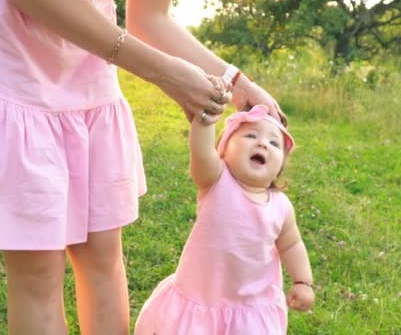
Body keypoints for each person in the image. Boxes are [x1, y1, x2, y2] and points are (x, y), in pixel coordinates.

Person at [0, 0, 284, 334]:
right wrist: (162, 72)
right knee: (38, 268)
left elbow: (150, 18)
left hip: (85, 48)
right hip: (1, 50)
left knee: (101, 252)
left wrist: (237, 84)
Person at [134, 105, 315, 334]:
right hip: (201, 296)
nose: (262, 143)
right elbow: (200, 152)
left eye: (274, 143)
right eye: (250, 135)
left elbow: (291, 245)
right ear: (223, 151)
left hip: (252, 307)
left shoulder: (281, 206)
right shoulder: (216, 182)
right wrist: (206, 118)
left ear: (280, 167)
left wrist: (302, 281)